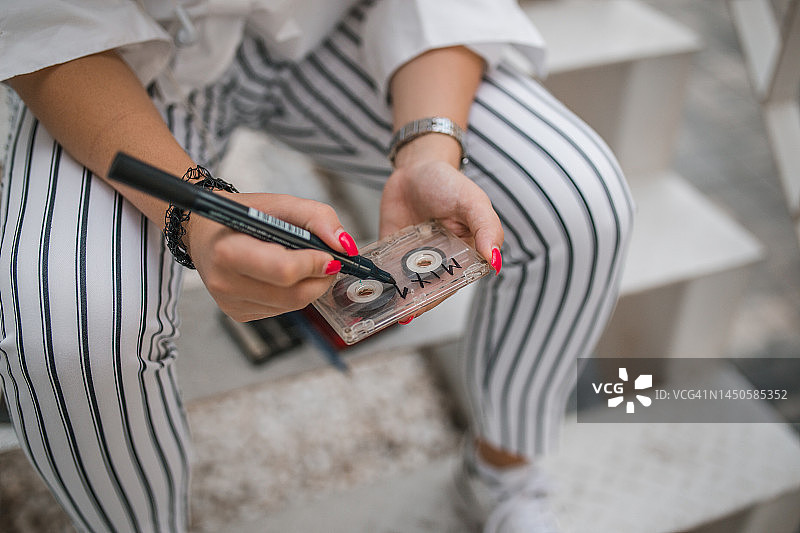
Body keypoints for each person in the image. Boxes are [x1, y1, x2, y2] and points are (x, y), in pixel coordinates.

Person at [0, 0, 634, 531]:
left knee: (579, 201)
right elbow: (49, 18)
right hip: (112, 68)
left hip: (337, 26)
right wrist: (191, 212)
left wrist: (428, 148)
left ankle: (501, 472)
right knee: (65, 334)